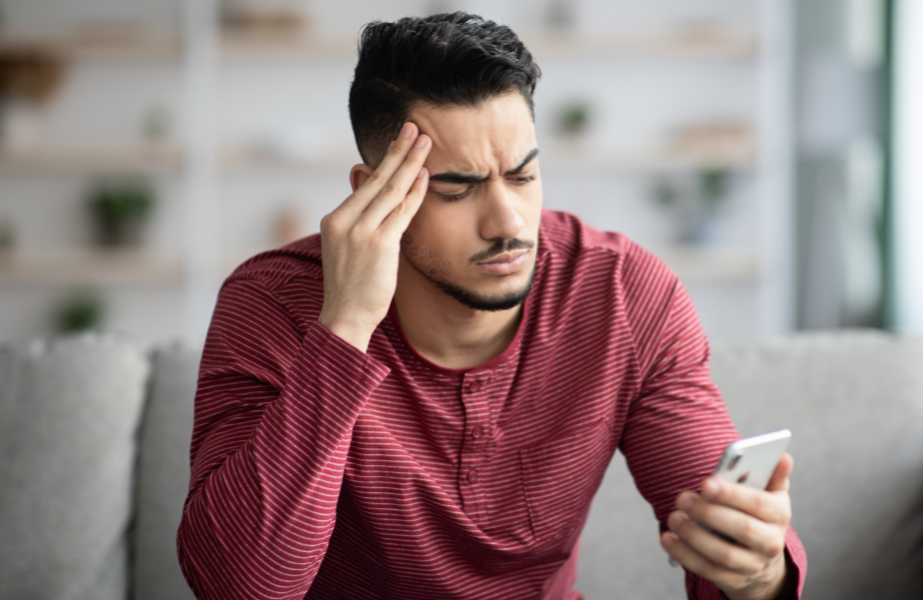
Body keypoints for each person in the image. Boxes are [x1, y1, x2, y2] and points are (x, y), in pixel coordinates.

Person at [177, 12, 806, 600]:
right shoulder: (272, 302)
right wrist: (344, 328)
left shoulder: (620, 293)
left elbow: (728, 539)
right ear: (375, 195)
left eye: (524, 175)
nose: (508, 223)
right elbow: (240, 586)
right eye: (457, 188)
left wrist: (758, 570)